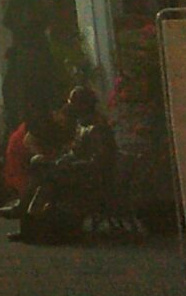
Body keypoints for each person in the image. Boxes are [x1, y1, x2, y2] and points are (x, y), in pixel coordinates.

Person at [20, 86, 118, 245]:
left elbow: (98, 161)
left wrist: (68, 165)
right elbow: (77, 152)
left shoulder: (97, 128)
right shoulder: (84, 125)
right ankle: (31, 223)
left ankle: (36, 224)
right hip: (83, 173)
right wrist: (61, 160)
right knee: (41, 171)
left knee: (47, 178)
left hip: (93, 180)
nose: (71, 108)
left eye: (74, 104)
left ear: (83, 106)